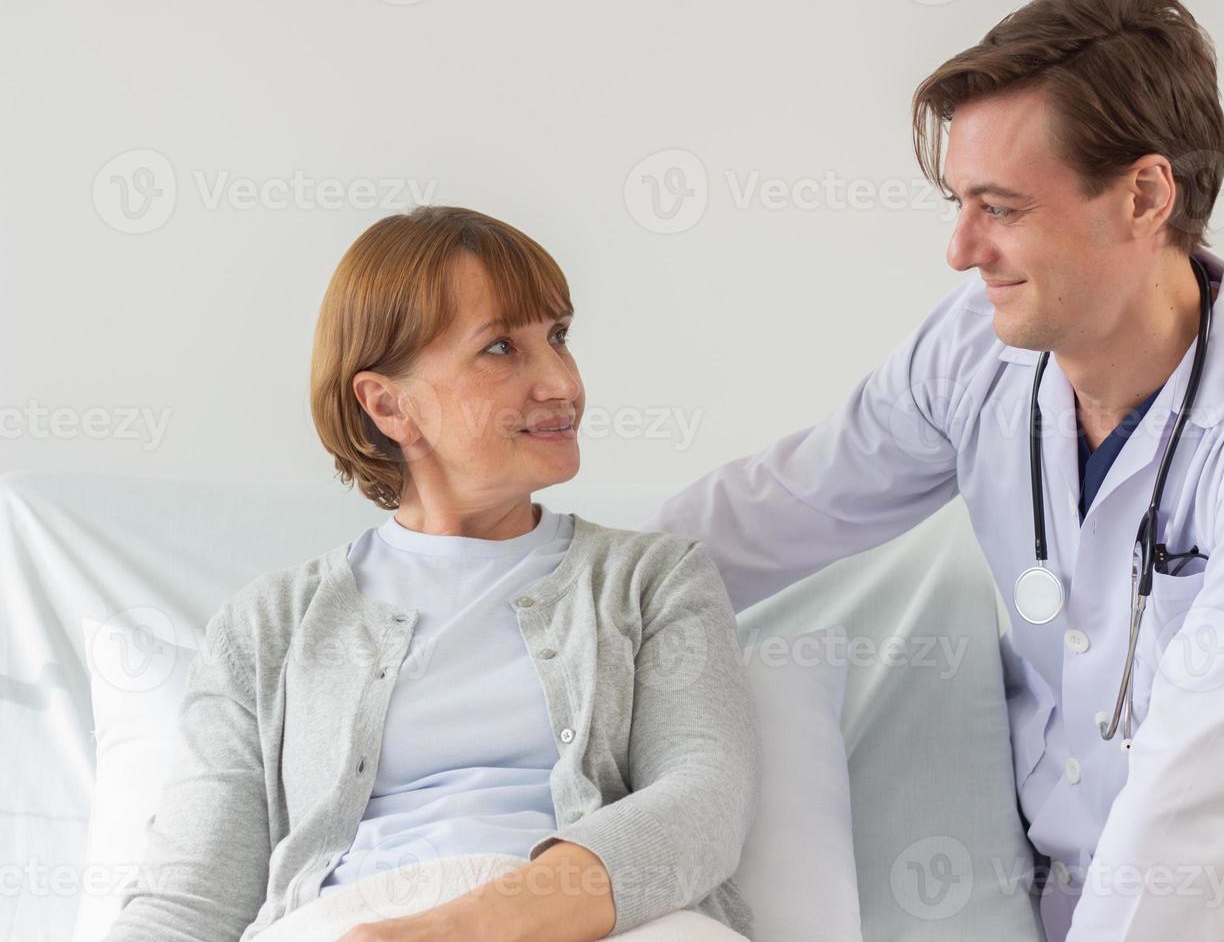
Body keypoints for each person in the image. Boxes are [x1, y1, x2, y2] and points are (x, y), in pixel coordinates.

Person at [645, 0, 1224, 941]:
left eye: (999, 208)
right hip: (1020, 881)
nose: (961, 250)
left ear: (1144, 194)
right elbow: (774, 510)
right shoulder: (975, 351)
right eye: (959, 202)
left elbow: (1194, 817)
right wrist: (532, 591)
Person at [105, 206, 759, 942]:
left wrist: (463, 929)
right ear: (389, 405)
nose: (561, 383)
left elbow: (704, 803)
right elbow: (190, 903)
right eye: (502, 347)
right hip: (347, 923)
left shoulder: (654, 580)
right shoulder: (269, 627)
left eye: (559, 337)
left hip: (604, 924)